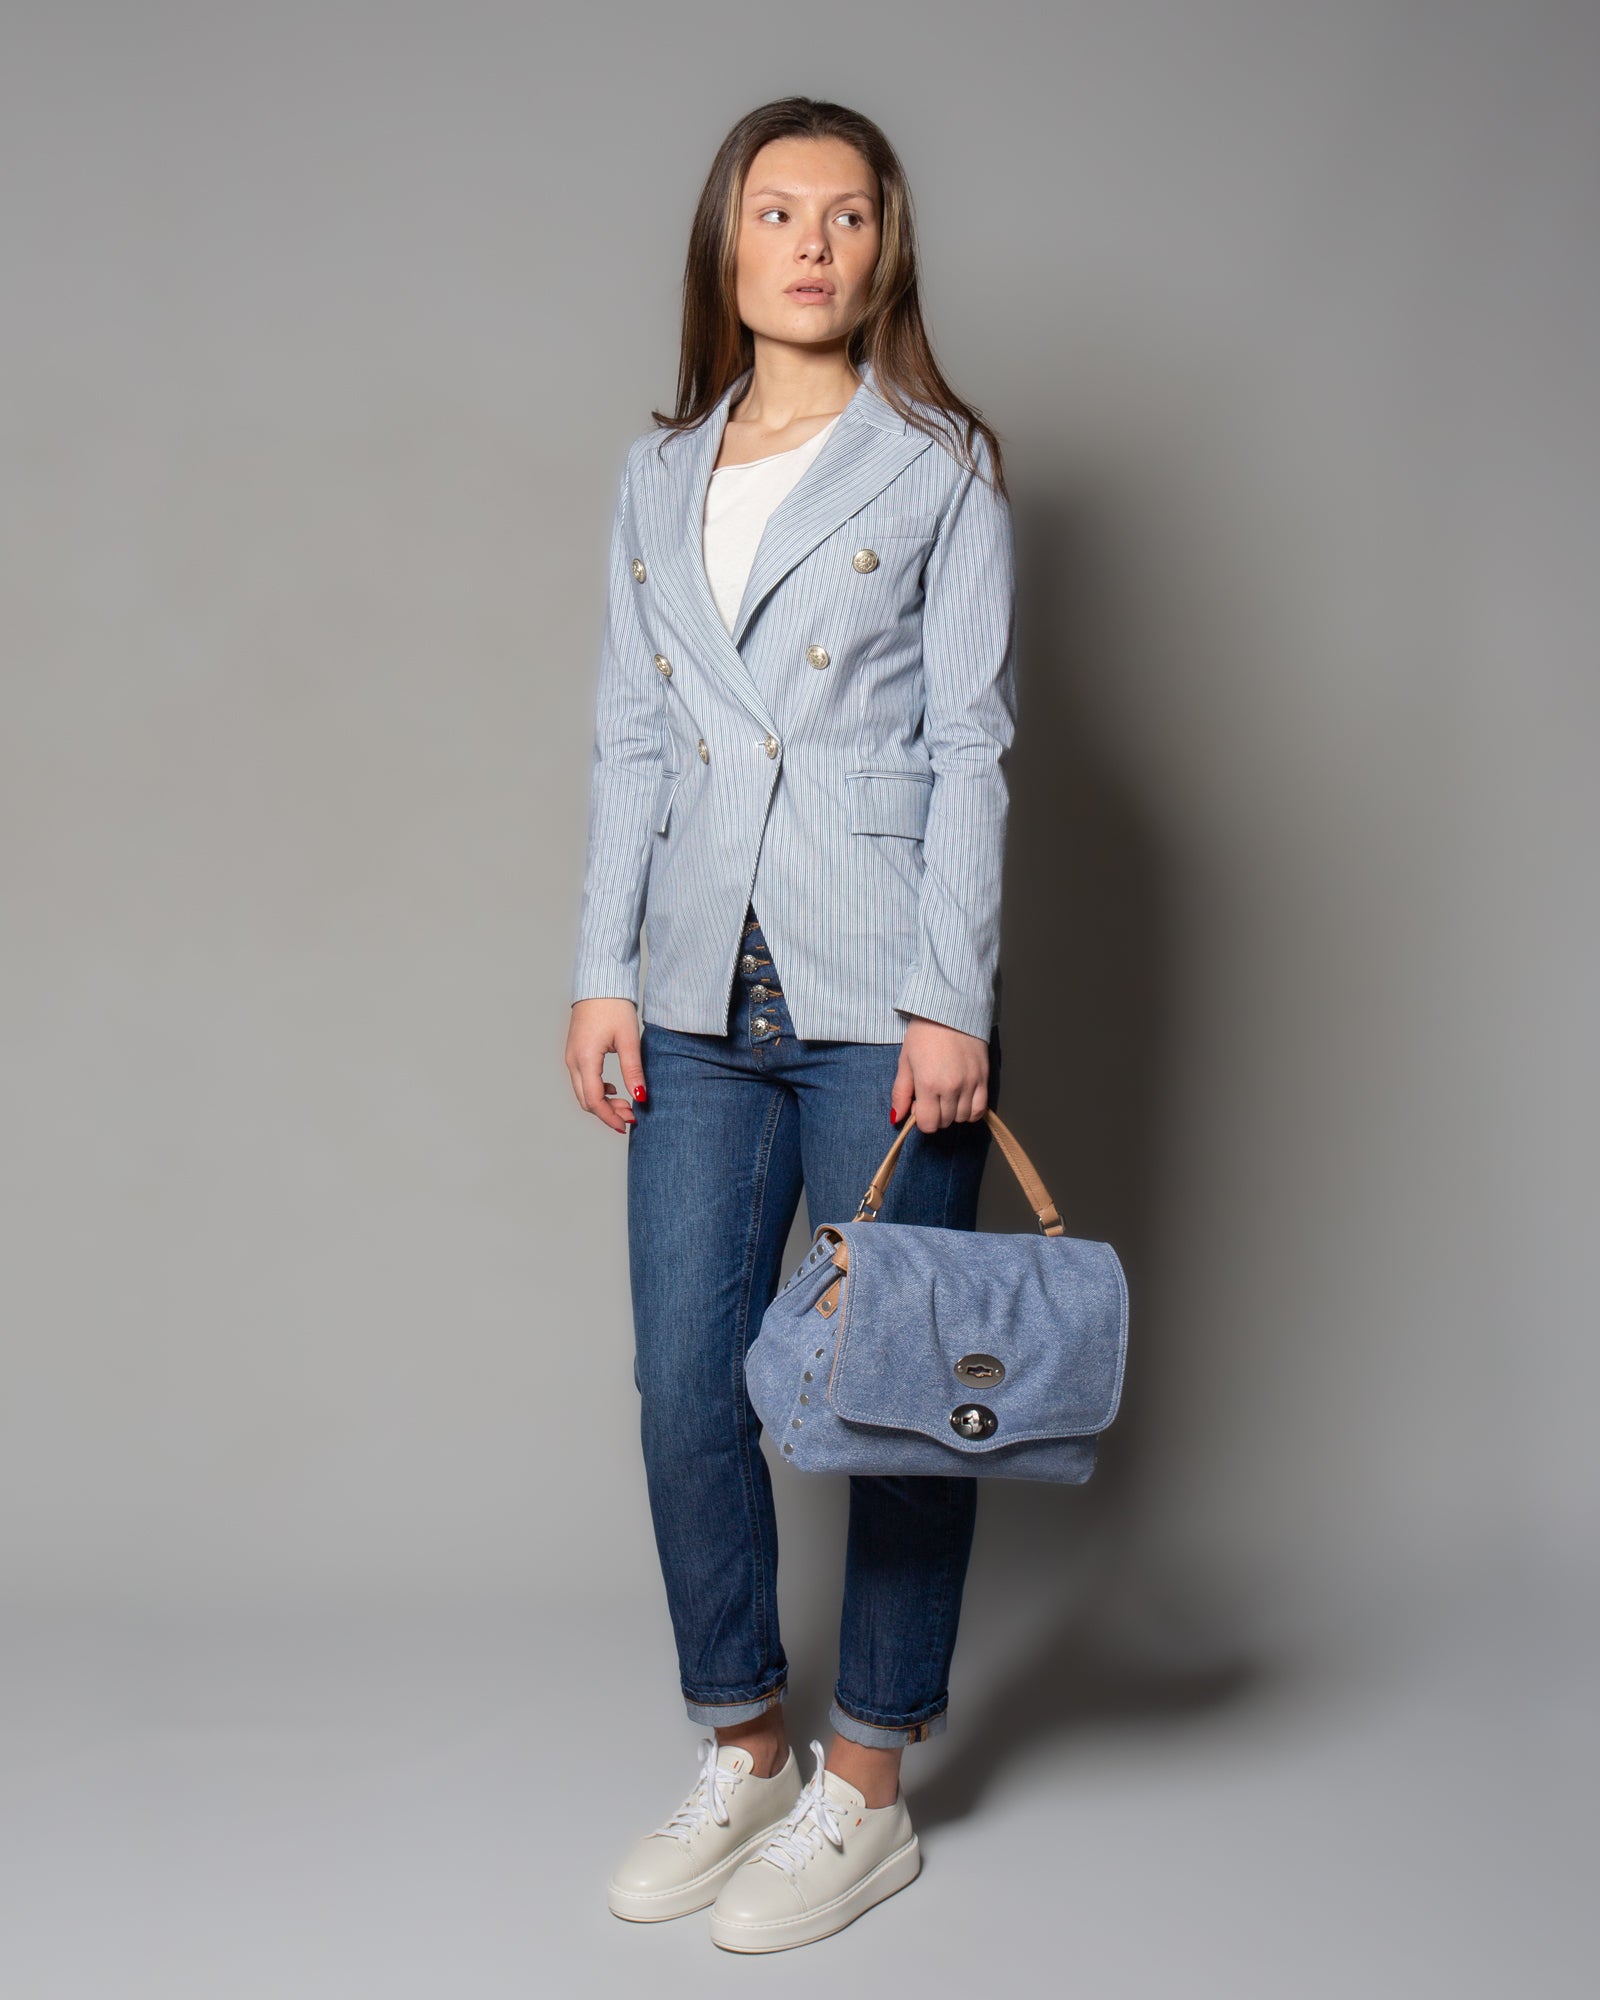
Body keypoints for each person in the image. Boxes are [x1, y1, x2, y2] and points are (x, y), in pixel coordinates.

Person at [564, 95, 1018, 1954]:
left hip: (877, 985)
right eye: (777, 211)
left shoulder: (941, 465)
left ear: (883, 248)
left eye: (847, 214)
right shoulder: (658, 471)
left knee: (898, 1390)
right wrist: (600, 966)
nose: (812, 244)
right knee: (688, 1386)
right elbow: (631, 732)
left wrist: (950, 998)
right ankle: (745, 1742)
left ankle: (869, 1786)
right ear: (727, 244)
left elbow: (974, 740)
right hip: (695, 984)